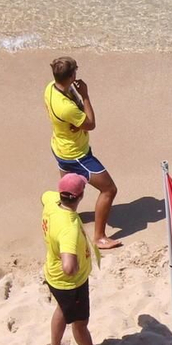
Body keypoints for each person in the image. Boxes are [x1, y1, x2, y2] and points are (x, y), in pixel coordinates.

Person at [44, 56, 120, 250]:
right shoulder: (67, 107)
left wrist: (72, 125)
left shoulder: (50, 87)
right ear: (71, 76)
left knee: (68, 189)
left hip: (59, 145)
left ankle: (63, 217)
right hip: (77, 154)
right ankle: (100, 237)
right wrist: (85, 95)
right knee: (109, 189)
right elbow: (90, 123)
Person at [41, 174, 103, 345]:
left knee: (61, 308)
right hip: (71, 284)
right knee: (80, 324)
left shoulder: (52, 202)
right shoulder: (69, 228)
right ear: (81, 196)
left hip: (52, 274)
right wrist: (74, 266)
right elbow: (68, 266)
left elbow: (43, 196)